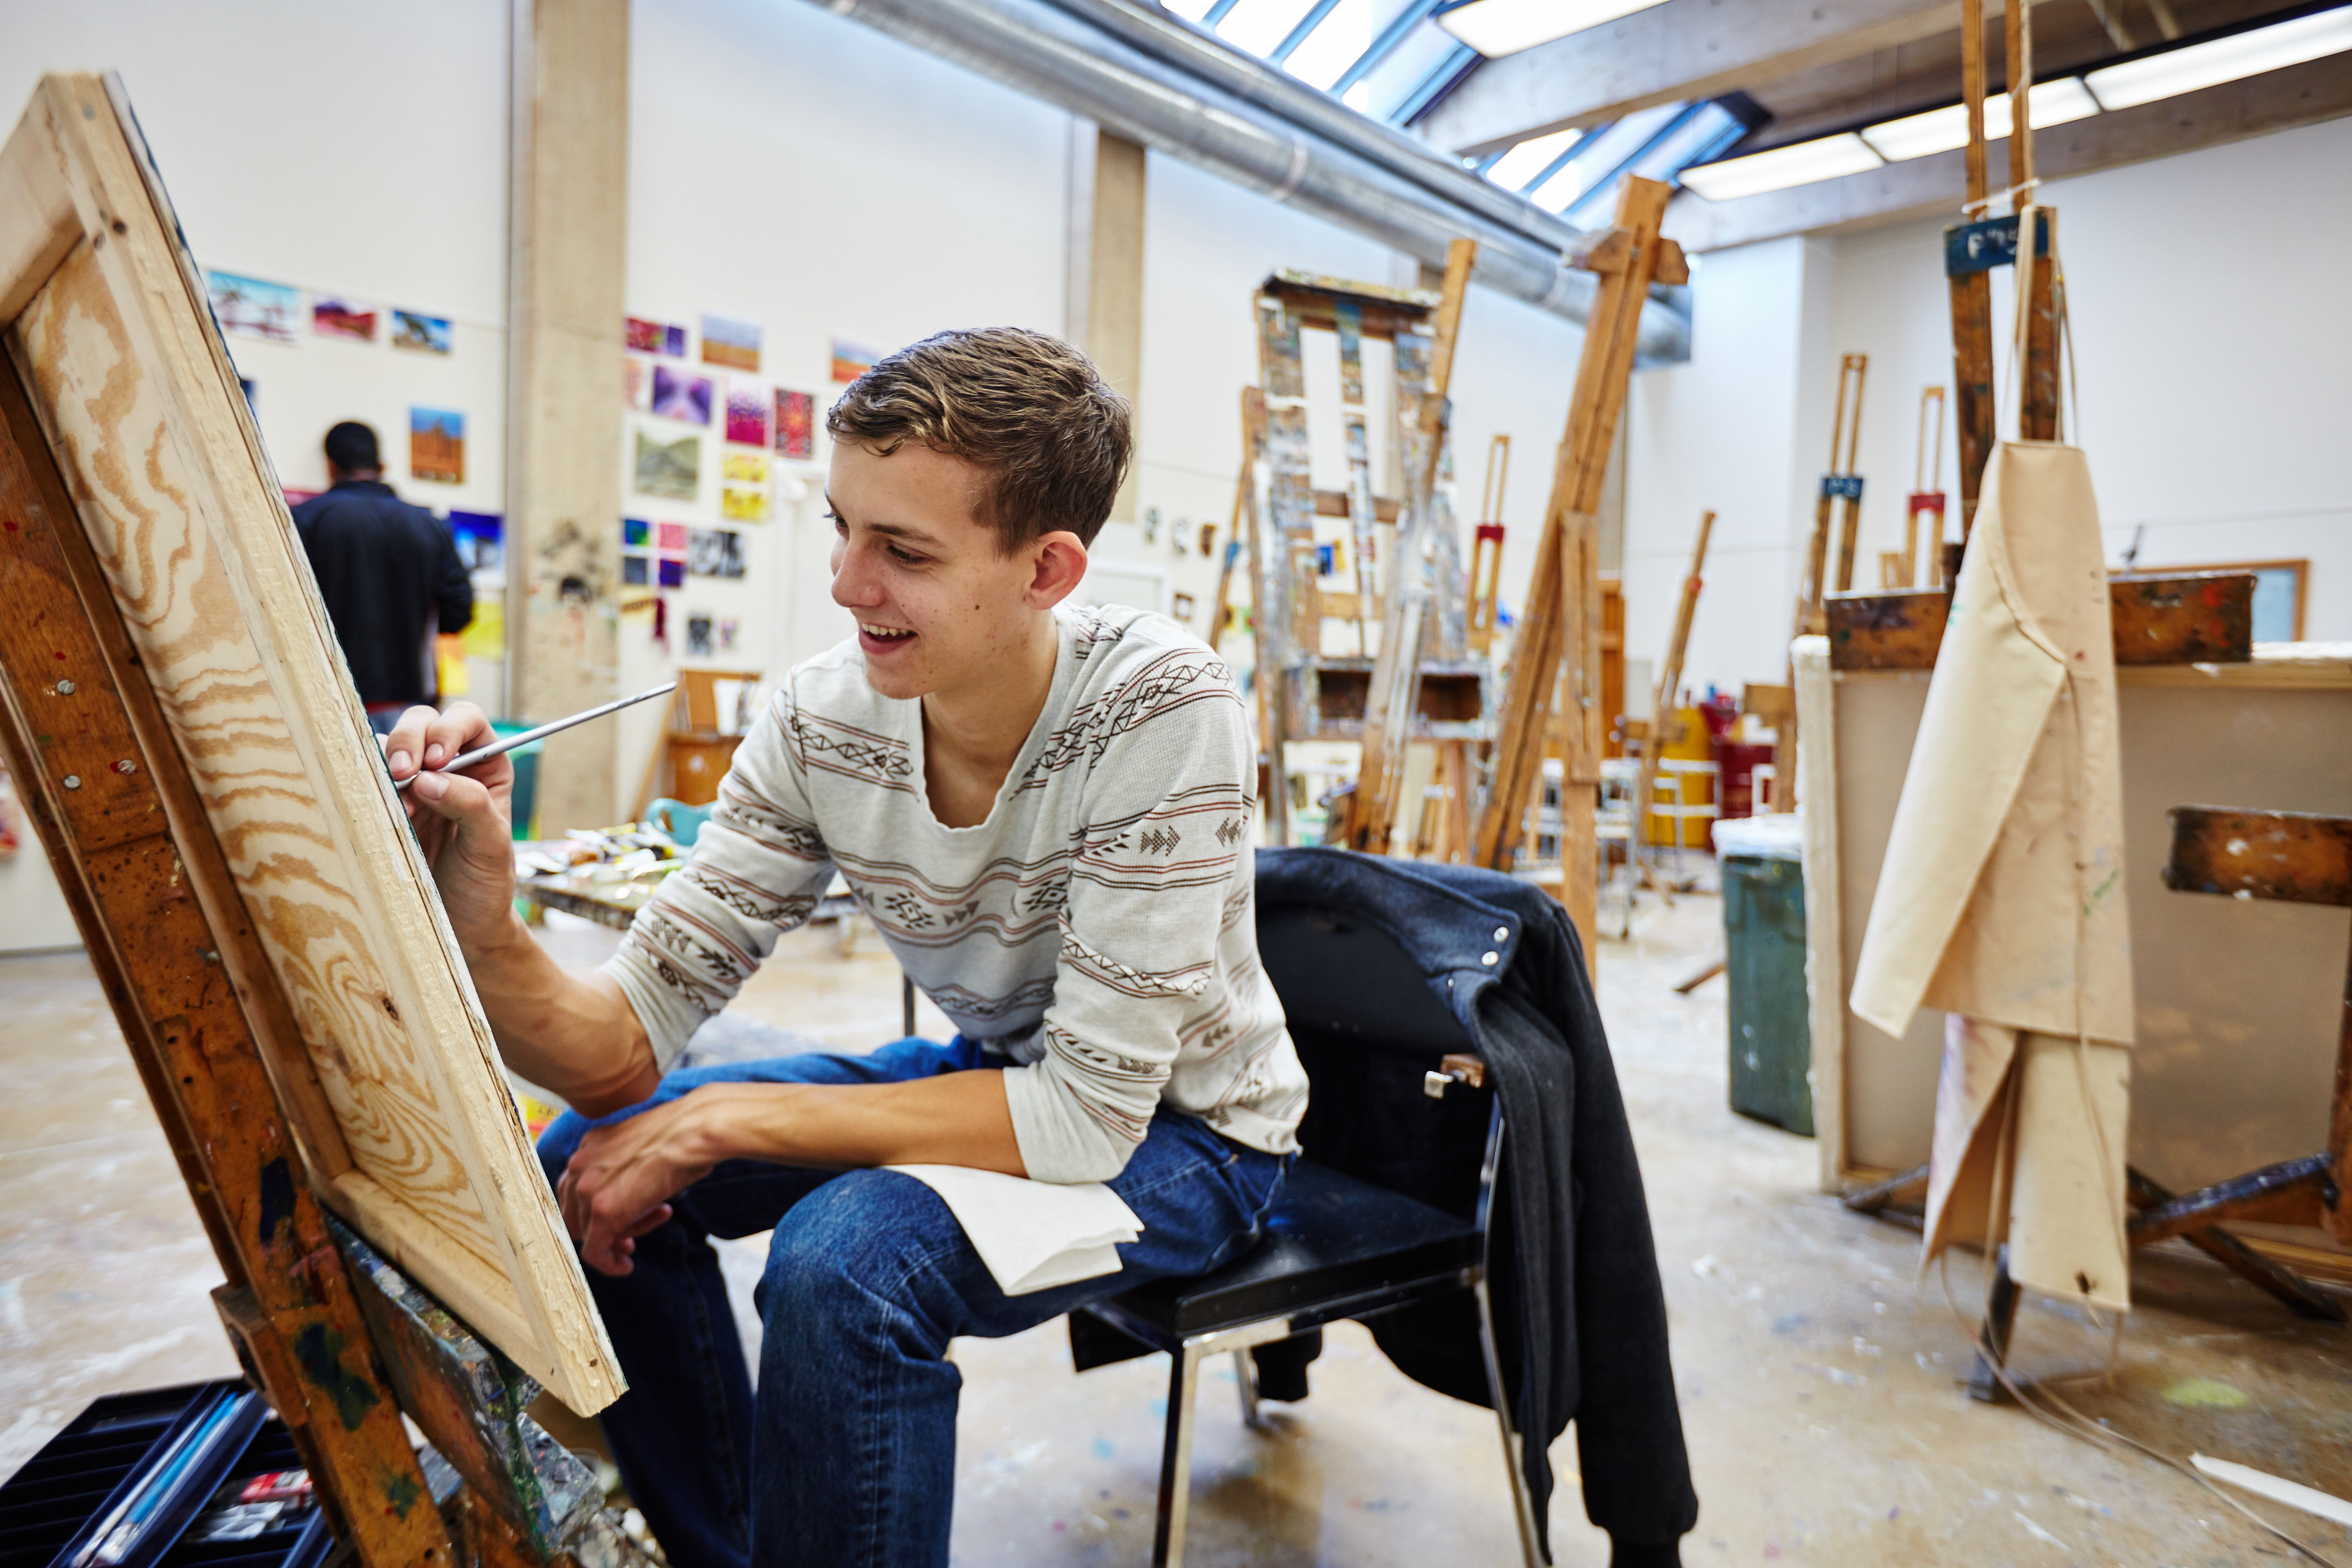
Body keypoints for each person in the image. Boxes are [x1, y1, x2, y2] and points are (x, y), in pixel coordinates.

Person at [387, 328, 1306, 1568]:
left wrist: (722, 1123)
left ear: (1046, 568)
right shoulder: (823, 718)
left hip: (1192, 1136)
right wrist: (481, 911)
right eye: (843, 528)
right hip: (1007, 1079)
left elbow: (1091, 1125)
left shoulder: (1161, 706)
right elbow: (611, 1058)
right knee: (587, 1156)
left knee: (846, 1262)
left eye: (903, 552)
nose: (846, 583)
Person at [291, 420, 473, 731]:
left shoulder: (304, 520)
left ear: (331, 466)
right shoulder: (429, 524)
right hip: (411, 707)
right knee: (408, 776)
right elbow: (458, 613)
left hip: (334, 700)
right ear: (381, 465)